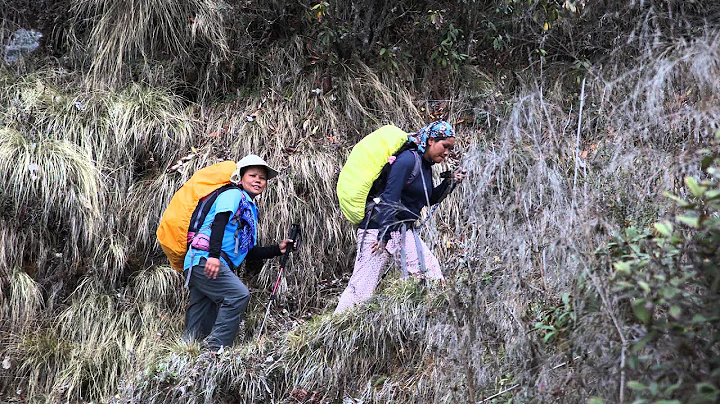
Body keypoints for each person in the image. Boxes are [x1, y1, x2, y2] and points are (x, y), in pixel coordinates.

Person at [334, 121, 466, 314]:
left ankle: (428, 320)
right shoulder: (407, 160)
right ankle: (334, 332)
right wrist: (383, 236)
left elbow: (429, 199)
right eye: (445, 146)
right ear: (431, 140)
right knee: (360, 291)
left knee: (431, 274)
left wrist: (451, 182)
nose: (447, 152)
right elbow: (389, 197)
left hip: (403, 231)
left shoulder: (425, 166)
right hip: (377, 229)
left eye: (450, 148)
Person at [183, 154, 294, 351]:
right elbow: (219, 222)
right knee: (238, 295)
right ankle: (217, 351)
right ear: (240, 177)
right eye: (252, 175)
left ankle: (186, 358)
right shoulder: (233, 195)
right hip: (204, 259)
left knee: (200, 320)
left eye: (262, 177)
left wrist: (277, 249)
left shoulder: (249, 208)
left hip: (204, 261)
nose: (258, 180)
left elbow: (246, 252)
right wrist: (214, 257)